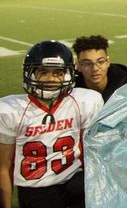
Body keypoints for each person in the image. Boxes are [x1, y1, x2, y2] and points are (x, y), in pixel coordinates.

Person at [0, 41, 103, 208]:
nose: (51, 79)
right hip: (36, 190)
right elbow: (3, 167)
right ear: (31, 73)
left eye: (58, 72)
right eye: (43, 72)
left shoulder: (83, 101)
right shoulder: (10, 110)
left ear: (69, 74)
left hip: (75, 183)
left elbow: (90, 153)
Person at [72, 35, 127, 102]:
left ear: (108, 62)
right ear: (78, 65)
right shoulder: (71, 90)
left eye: (100, 62)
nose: (95, 68)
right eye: (87, 63)